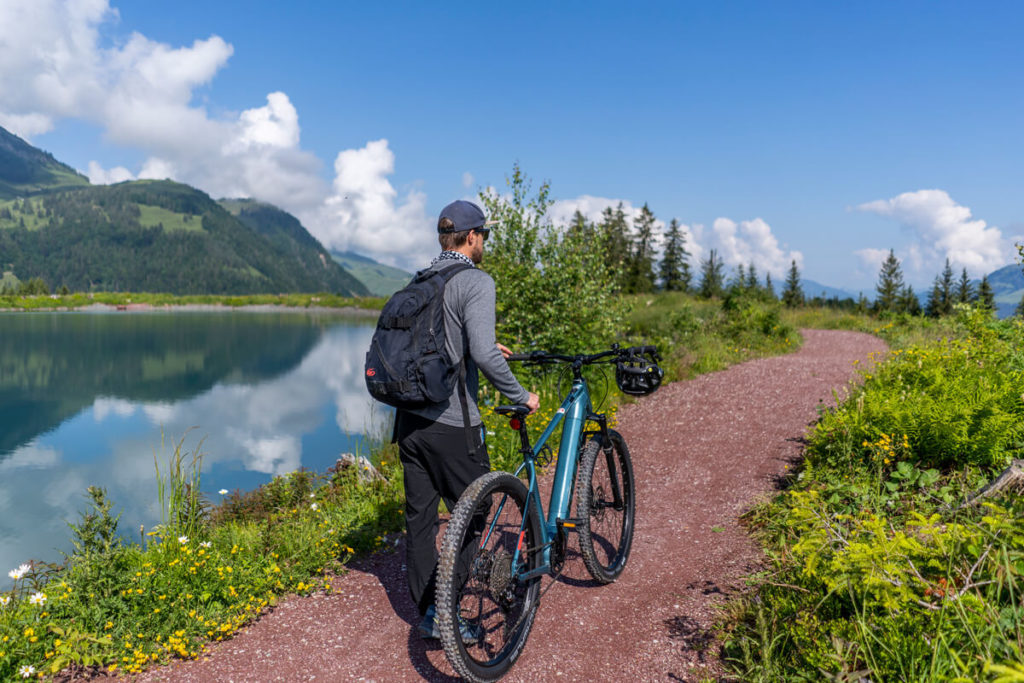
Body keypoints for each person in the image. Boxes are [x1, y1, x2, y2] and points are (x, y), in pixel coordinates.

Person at [394, 199, 539, 641]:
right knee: (477, 511)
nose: (485, 243)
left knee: (420, 521)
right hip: (451, 424)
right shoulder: (475, 281)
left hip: (409, 423)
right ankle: (443, 613)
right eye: (485, 236)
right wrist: (521, 395)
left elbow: (445, 341)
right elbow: (480, 355)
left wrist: (487, 345)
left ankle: (430, 610)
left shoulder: (422, 279)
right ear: (472, 237)